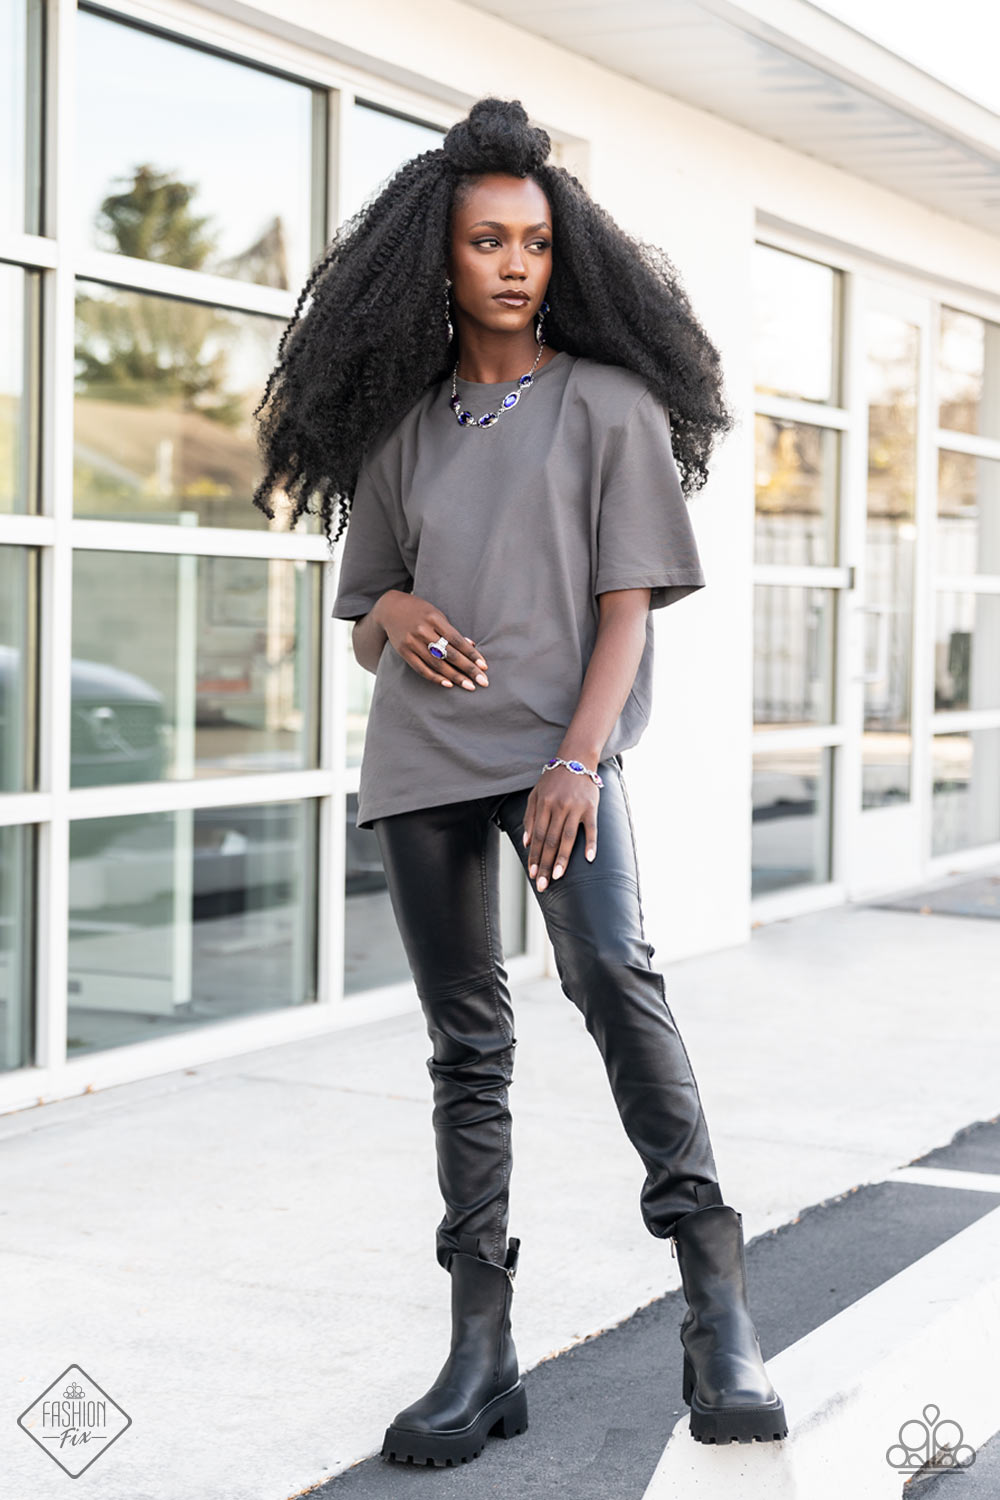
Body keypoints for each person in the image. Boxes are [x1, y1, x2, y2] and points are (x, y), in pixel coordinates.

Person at [252, 96, 787, 1466]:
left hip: (560, 755)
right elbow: (364, 609)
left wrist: (575, 760)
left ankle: (718, 1307)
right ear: (437, 257)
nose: (512, 264)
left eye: (535, 243)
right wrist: (392, 614)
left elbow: (628, 610)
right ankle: (480, 1348)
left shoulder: (609, 405)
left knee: (612, 974)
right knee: (466, 1043)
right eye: (487, 240)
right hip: (421, 759)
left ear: (564, 257)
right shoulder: (401, 429)